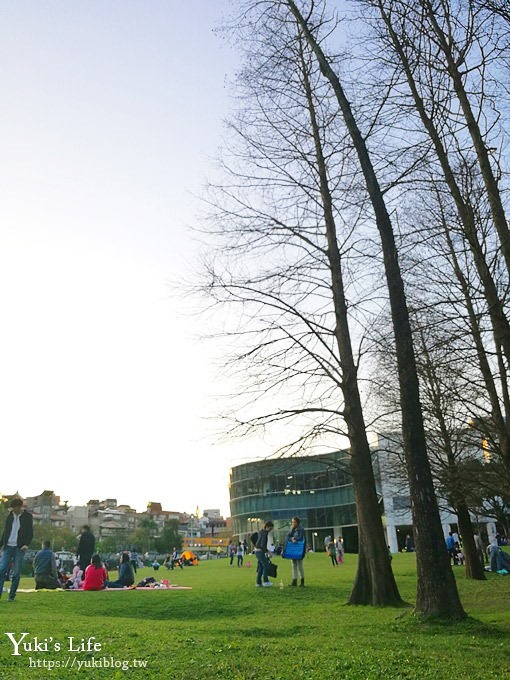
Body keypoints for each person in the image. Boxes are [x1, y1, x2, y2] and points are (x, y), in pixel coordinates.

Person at [0, 497, 33, 601]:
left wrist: (26, 544)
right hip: (8, 546)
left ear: (19, 507)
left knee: (16, 572)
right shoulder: (10, 516)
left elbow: (30, 532)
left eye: (15, 508)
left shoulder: (27, 517)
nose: (13, 510)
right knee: (2, 570)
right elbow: (6, 532)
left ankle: (11, 596)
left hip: (19, 547)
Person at [254, 521, 274, 587]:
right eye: (270, 529)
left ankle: (258, 582)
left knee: (261, 567)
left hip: (257, 551)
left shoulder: (260, 532)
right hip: (260, 551)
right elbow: (263, 545)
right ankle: (265, 581)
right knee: (266, 565)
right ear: (267, 527)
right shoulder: (265, 534)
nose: (270, 530)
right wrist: (269, 552)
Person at [286, 517, 305, 587]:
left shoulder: (301, 529)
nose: (292, 523)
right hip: (293, 549)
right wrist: (291, 539)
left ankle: (302, 581)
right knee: (294, 565)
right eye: (292, 522)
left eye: (294, 522)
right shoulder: (292, 529)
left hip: (299, 549)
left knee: (300, 566)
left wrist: (294, 538)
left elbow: (300, 537)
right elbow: (287, 536)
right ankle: (294, 580)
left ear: (297, 523)